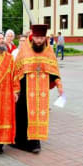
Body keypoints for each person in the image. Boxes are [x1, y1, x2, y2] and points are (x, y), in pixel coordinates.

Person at [12, 25, 63, 153]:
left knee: (38, 115)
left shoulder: (49, 51)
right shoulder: (25, 50)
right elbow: (16, 70)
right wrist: (16, 90)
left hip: (41, 92)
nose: (39, 41)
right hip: (25, 90)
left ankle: (34, 143)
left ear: (45, 37)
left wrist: (59, 85)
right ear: (32, 37)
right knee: (22, 115)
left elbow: (54, 71)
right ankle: (20, 141)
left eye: (41, 38)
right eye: (37, 38)